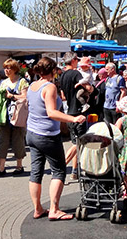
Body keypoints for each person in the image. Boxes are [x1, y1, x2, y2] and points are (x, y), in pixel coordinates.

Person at [25, 57, 86, 220]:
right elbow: (51, 112)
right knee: (58, 171)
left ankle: (37, 208)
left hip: (31, 133)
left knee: (36, 172)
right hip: (47, 135)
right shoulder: (49, 86)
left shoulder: (32, 85)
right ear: (52, 71)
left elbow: (31, 106)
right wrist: (73, 119)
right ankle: (54, 209)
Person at [0, 58, 29, 177]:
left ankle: (19, 166)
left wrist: (11, 96)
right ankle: (1, 167)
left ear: (15, 69)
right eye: (5, 68)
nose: (6, 70)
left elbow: (25, 97)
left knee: (18, 140)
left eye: (9, 68)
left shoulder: (22, 81)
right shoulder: (4, 82)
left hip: (17, 115)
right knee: (3, 140)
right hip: (5, 115)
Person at [58, 53, 88, 180]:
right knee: (78, 143)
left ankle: (75, 171)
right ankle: (61, 167)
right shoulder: (76, 74)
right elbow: (87, 87)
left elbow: (63, 96)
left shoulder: (63, 75)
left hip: (69, 111)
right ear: (74, 60)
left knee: (76, 143)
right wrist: (90, 89)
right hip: (78, 113)